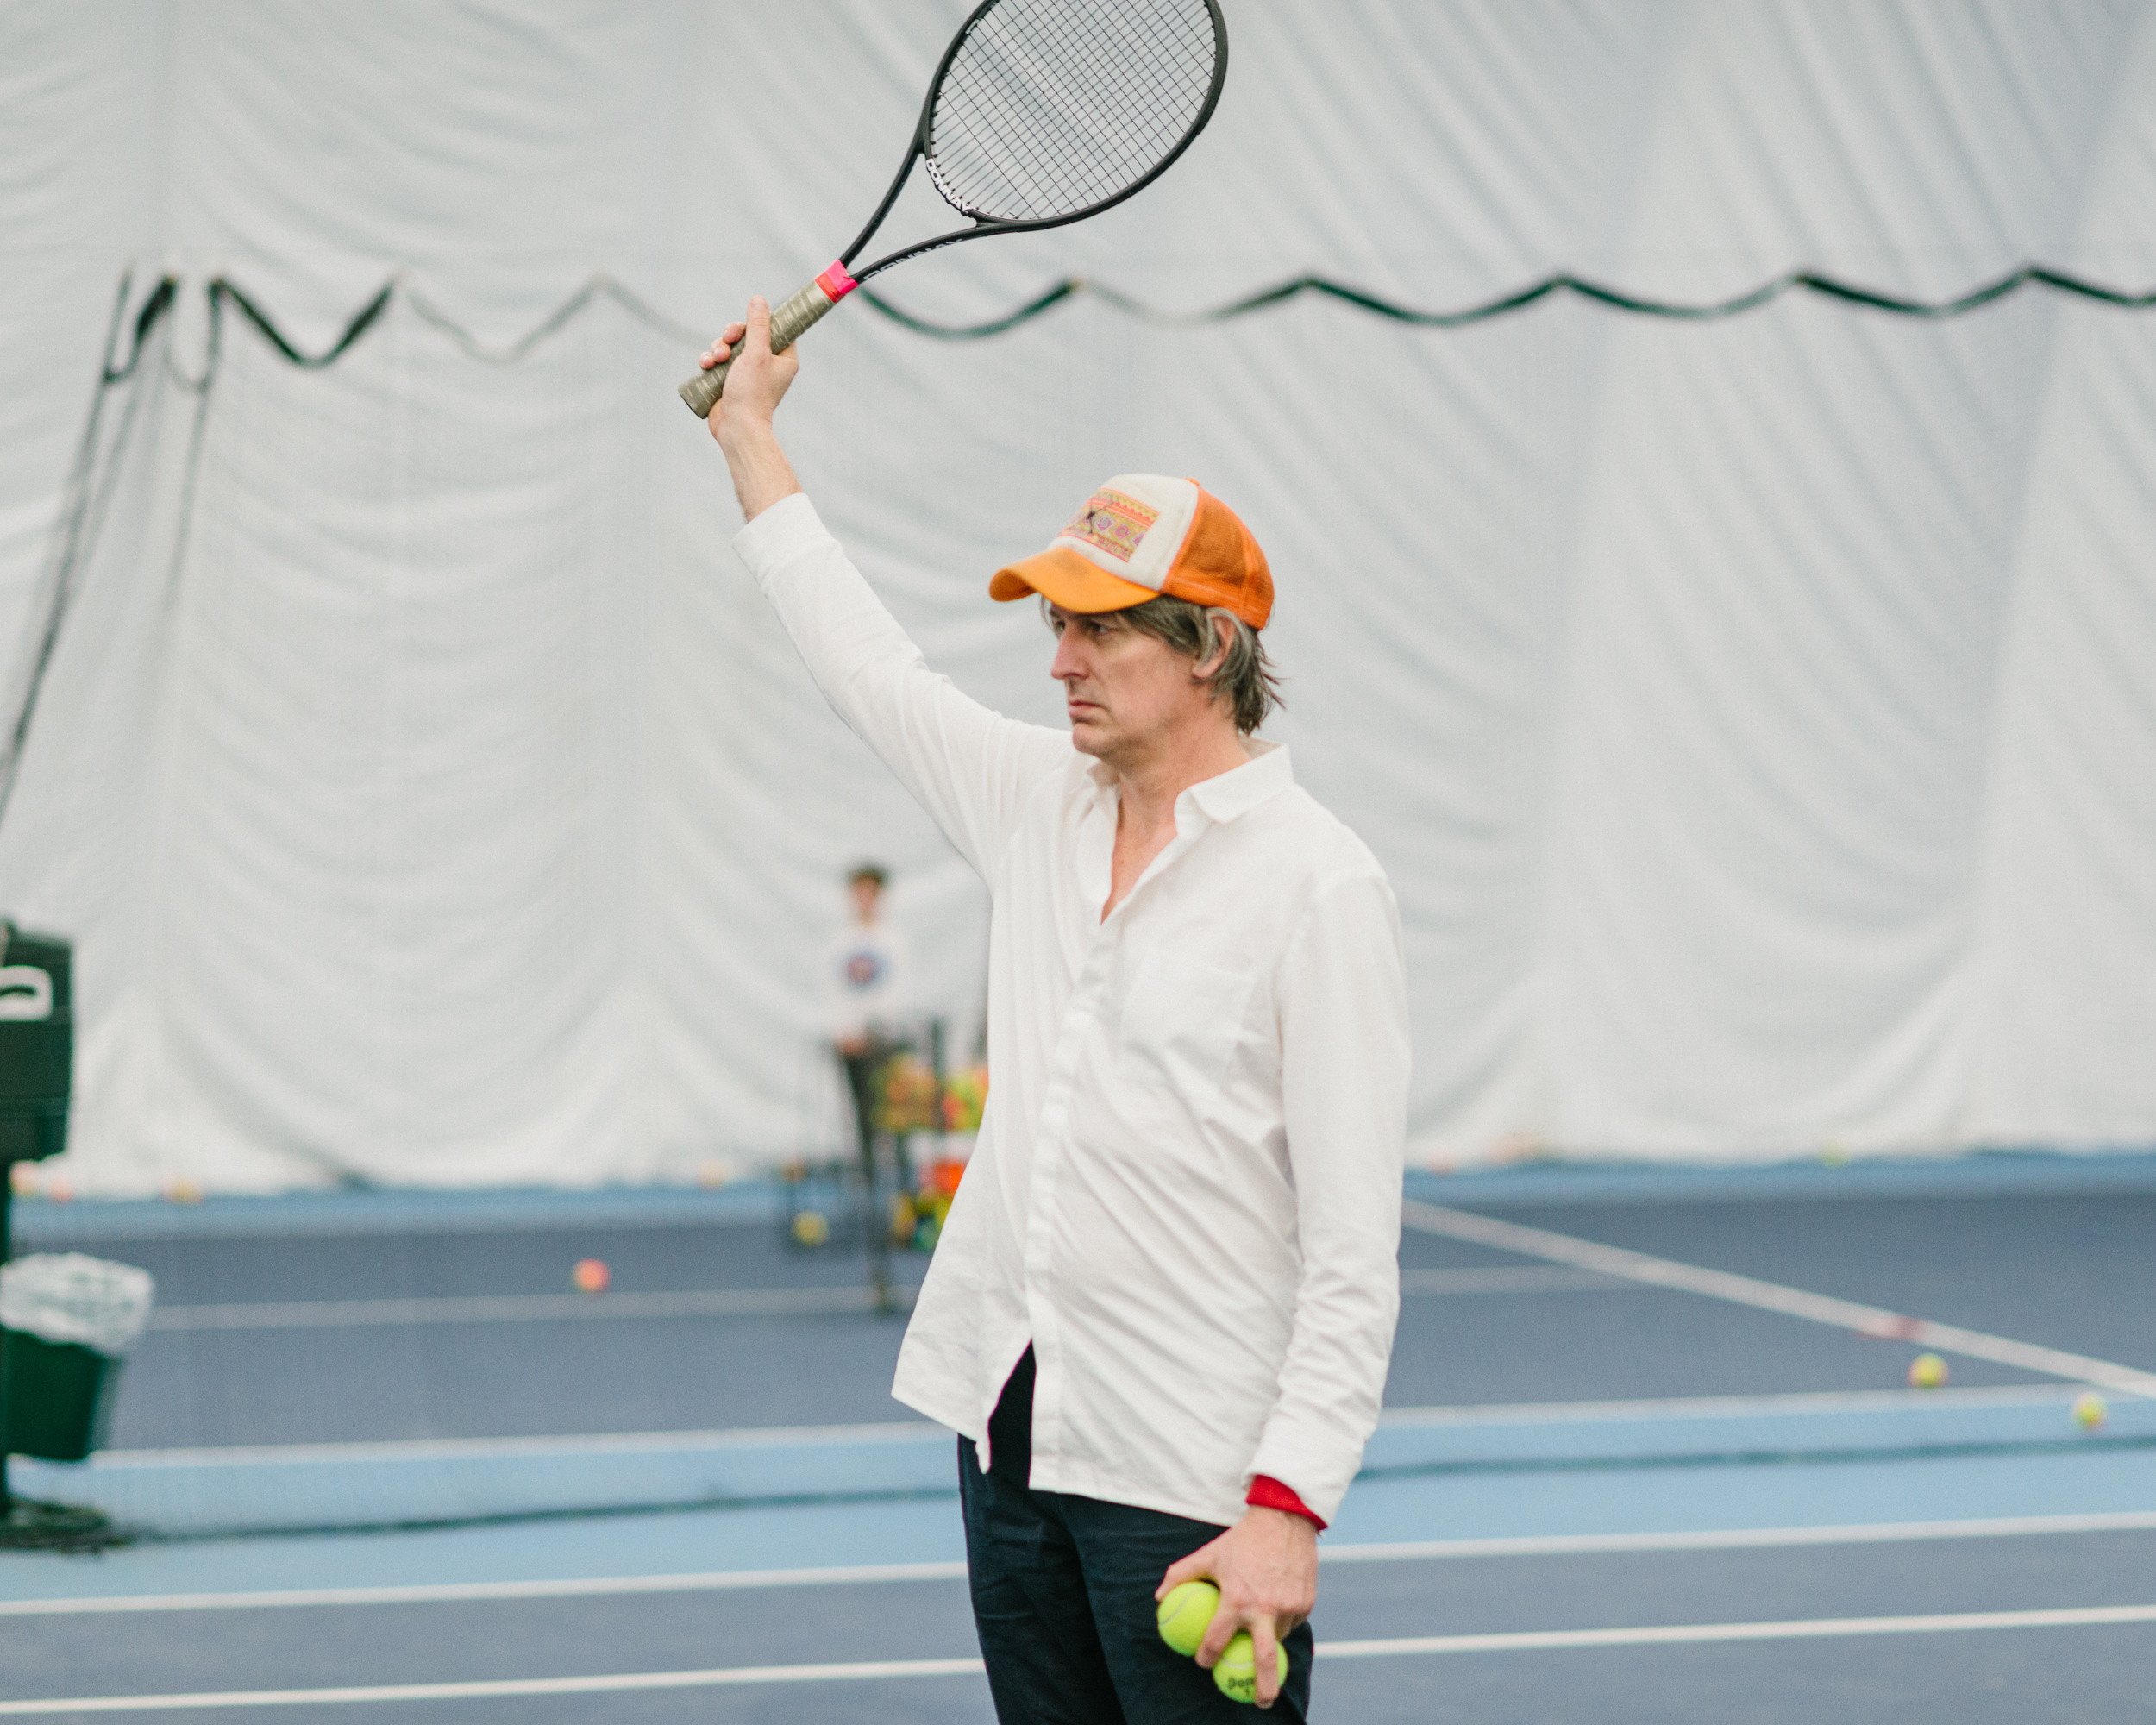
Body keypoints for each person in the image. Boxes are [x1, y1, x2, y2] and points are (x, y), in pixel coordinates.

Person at [700, 299, 1408, 1722]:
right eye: (1057, 624)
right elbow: (866, 667)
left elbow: (1351, 1254)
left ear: (1210, 645)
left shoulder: (1320, 886)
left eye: (1099, 630)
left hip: (1192, 1484)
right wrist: (748, 436)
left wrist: (1288, 1510)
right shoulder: (1039, 805)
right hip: (1008, 1434)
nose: (1060, 660)